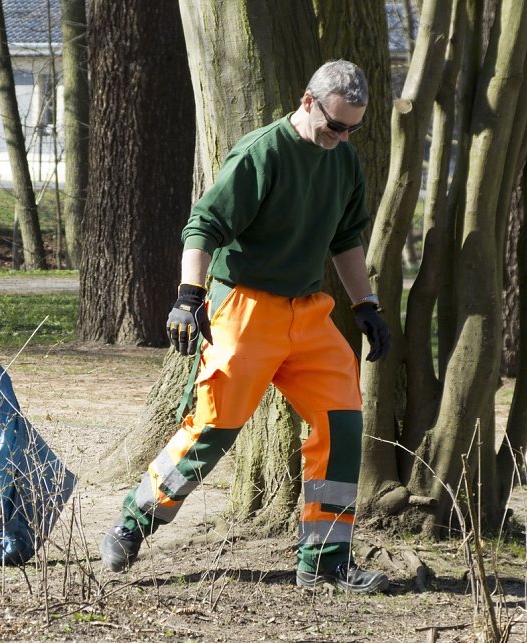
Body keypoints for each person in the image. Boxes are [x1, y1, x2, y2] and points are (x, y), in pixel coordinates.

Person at [100, 60, 392, 594]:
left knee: (343, 425)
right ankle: (133, 521)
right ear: (309, 102)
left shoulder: (344, 161)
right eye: (335, 125)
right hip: (244, 307)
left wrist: (365, 305)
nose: (342, 137)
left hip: (307, 313)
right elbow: (202, 225)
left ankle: (325, 560)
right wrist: (189, 299)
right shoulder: (263, 153)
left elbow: (347, 238)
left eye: (353, 128)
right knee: (214, 428)